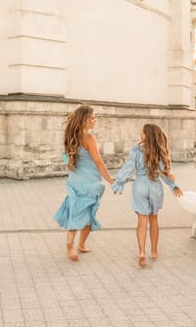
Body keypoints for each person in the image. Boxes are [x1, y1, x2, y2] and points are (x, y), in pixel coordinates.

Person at [111, 123, 183, 266]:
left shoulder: (136, 150)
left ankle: (142, 252)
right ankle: (154, 251)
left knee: (142, 222)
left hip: (140, 186)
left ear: (146, 135)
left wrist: (119, 182)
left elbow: (129, 167)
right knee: (154, 220)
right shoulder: (159, 152)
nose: (140, 134)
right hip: (155, 186)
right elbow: (164, 173)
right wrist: (174, 186)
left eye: (142, 132)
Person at [54, 105, 114, 261]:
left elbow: (65, 158)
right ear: (85, 119)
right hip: (90, 184)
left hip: (74, 183)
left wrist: (72, 166)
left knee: (78, 214)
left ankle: (76, 244)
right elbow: (99, 162)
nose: (95, 121)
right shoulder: (89, 139)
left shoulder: (69, 137)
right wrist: (111, 180)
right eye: (93, 118)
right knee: (87, 215)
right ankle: (74, 244)